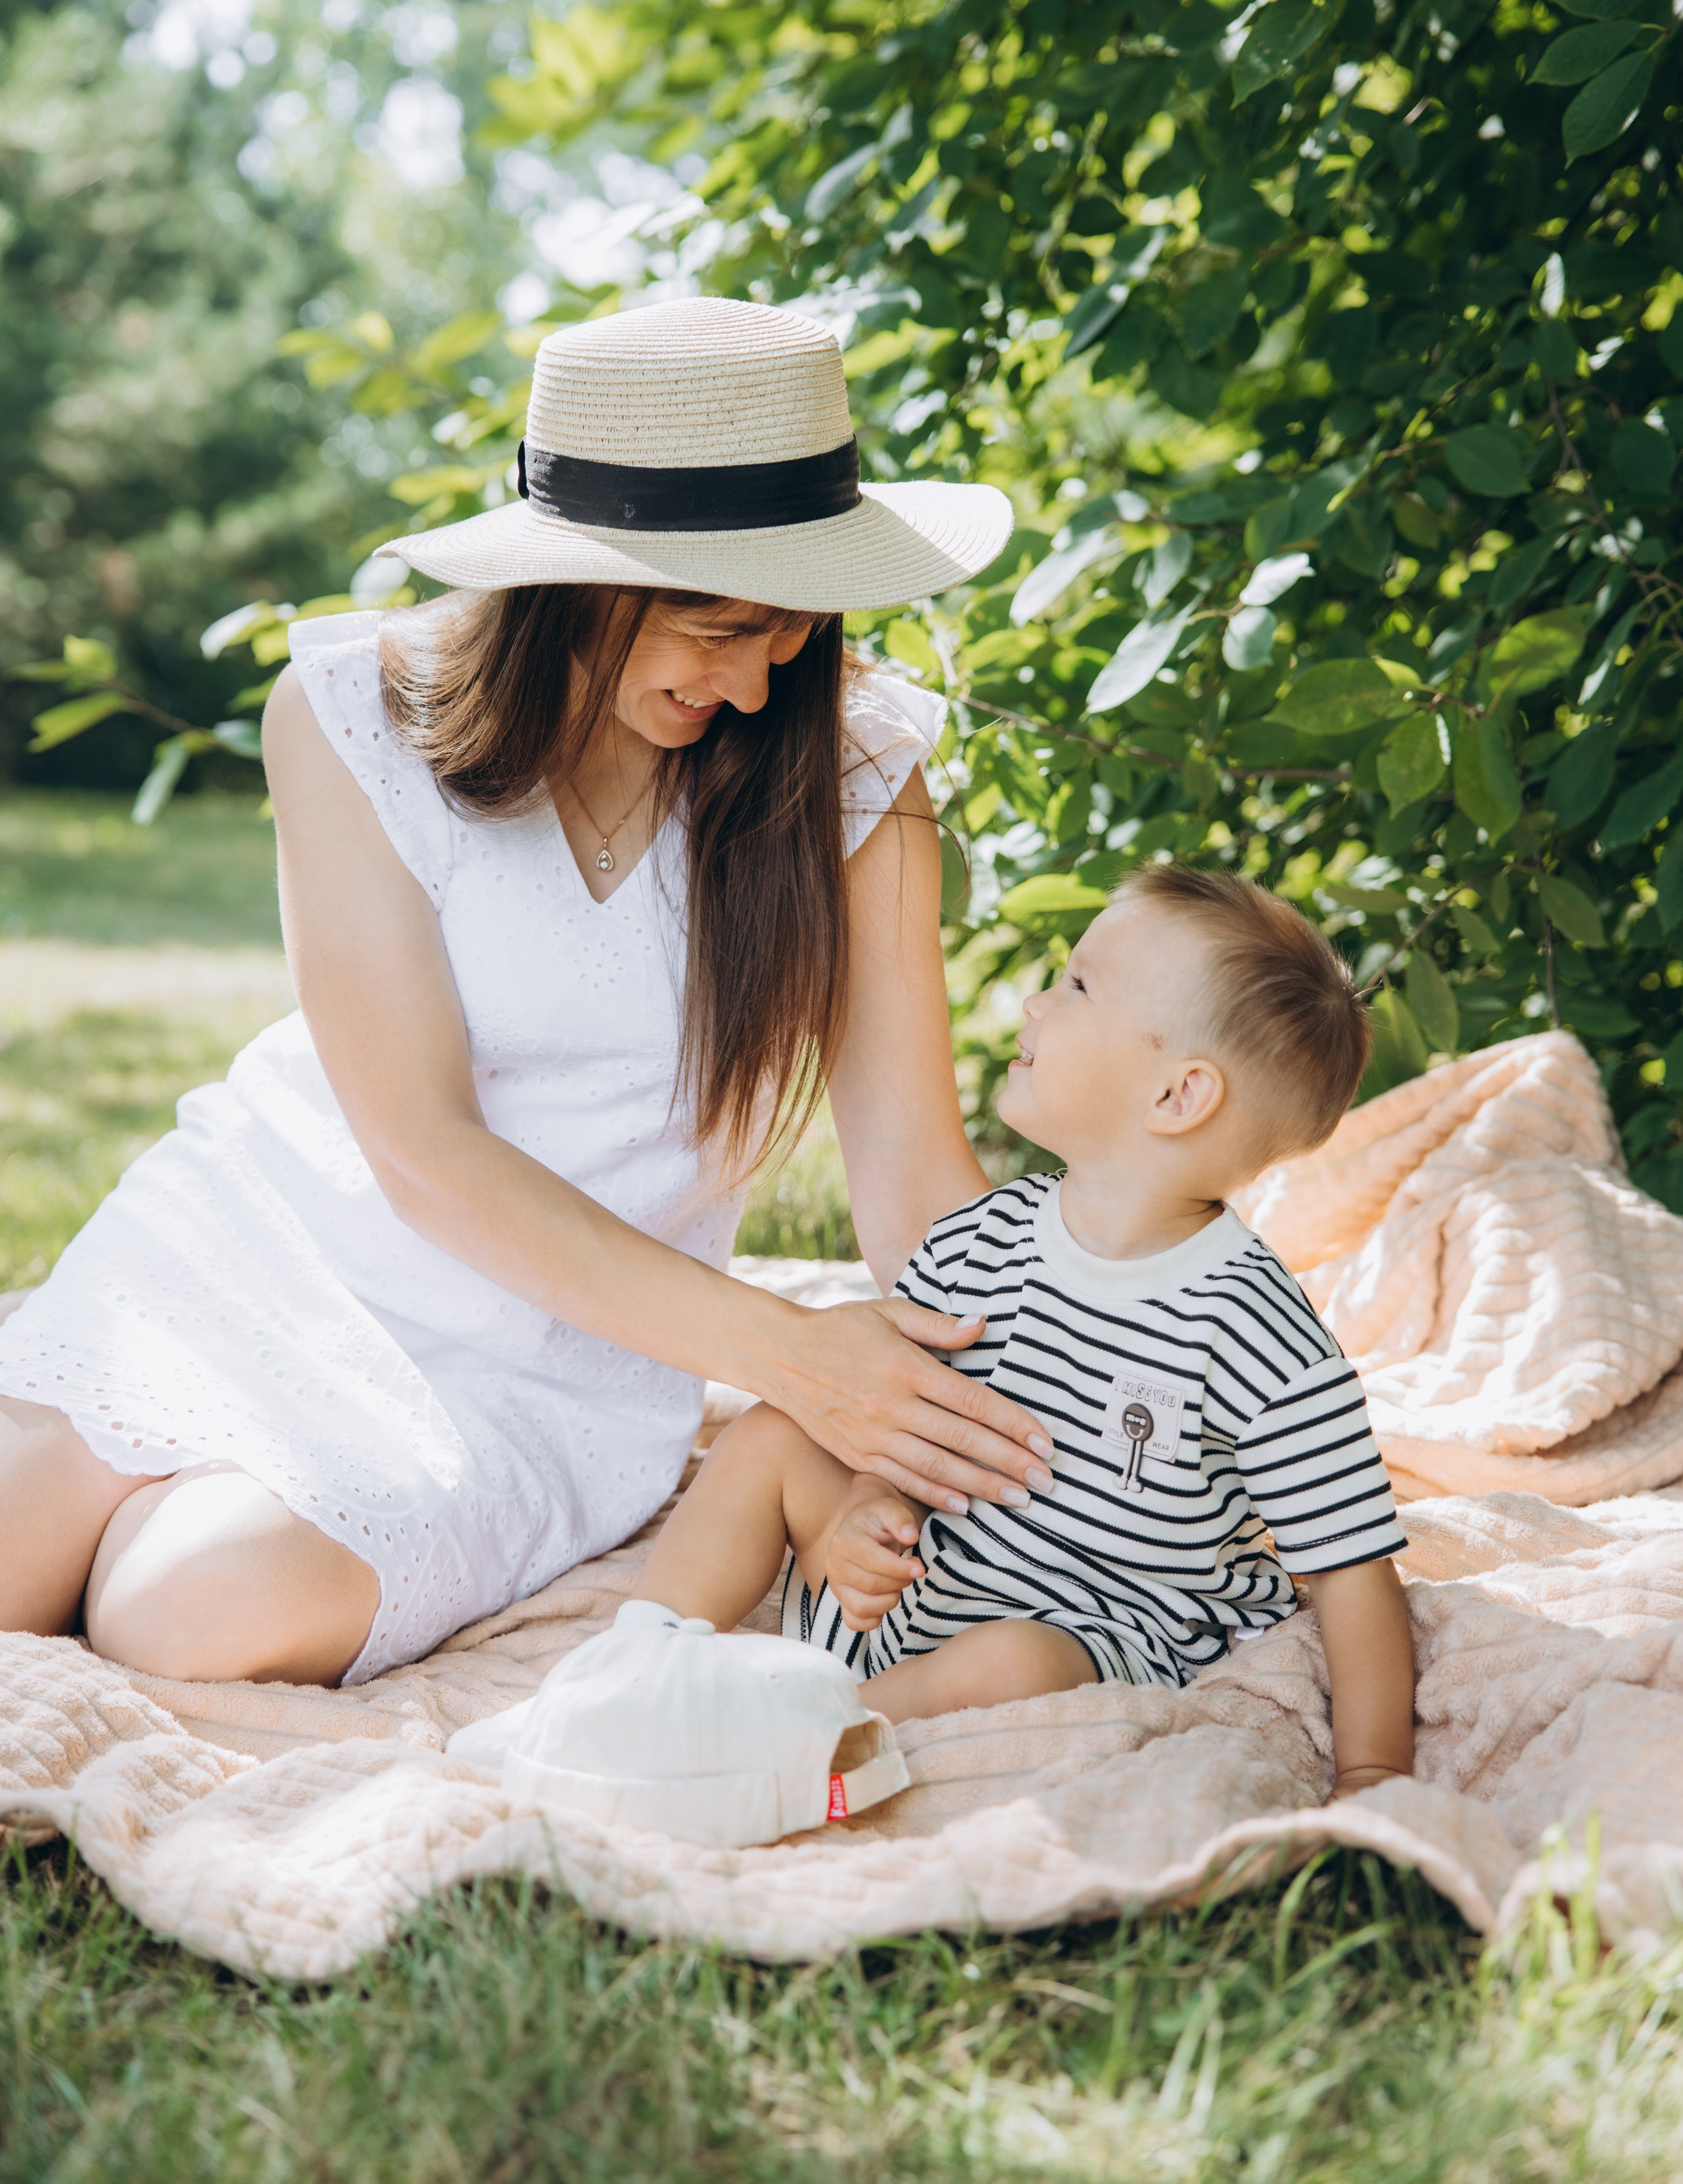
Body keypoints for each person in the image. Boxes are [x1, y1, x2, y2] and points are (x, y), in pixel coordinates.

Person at [0, 296, 1058, 1690]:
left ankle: (164, 1520)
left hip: (545, 1370)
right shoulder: (352, 717)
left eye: (789, 630)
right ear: (574, 580)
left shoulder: (856, 773)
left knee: (184, 1613)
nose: (753, 682)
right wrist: (790, 1357)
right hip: (246, 1252)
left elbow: (915, 1173)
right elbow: (423, 1154)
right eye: (713, 627)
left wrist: (1064, 1384)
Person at [636, 865, 1417, 1803]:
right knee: (773, 1434)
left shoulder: (1259, 1338)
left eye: (1080, 986)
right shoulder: (984, 1237)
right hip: (907, 1580)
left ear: (1178, 1097)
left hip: (1070, 1631)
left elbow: (1353, 1578)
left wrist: (1375, 1774)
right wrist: (867, 1508)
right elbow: (900, 1411)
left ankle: (808, 1734)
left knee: (1012, 1663)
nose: (1040, 1001)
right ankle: (642, 1660)